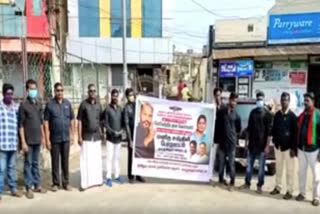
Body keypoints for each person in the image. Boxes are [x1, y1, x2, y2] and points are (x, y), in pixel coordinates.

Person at [239, 91, 273, 194]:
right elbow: (248, 129)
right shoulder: (252, 113)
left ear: (264, 100)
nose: (259, 101)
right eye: (258, 99)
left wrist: (267, 146)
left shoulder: (268, 115)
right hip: (252, 145)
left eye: (261, 99)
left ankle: (259, 186)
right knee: (249, 166)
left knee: (261, 168)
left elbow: (269, 133)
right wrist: (246, 144)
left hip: (262, 146)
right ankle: (247, 183)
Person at [44, 83, 75, 192]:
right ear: (54, 91)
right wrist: (47, 140)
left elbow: (72, 119)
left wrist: (72, 135)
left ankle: (66, 183)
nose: (60, 92)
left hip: (66, 138)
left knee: (65, 161)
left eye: (61, 90)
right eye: (58, 90)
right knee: (55, 161)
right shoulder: (50, 105)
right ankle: (55, 183)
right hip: (55, 138)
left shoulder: (67, 103)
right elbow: (46, 122)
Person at [19, 79, 47, 199]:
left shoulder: (39, 104)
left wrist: (44, 138)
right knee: (28, 164)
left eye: (35, 88)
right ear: (27, 90)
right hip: (28, 141)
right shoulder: (23, 105)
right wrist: (23, 142)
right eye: (31, 89)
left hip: (37, 139)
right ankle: (28, 187)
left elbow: (41, 123)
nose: (33, 91)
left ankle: (37, 185)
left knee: (36, 163)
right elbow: (20, 125)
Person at [270, 92, 297, 200]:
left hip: (288, 149)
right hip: (278, 147)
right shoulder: (277, 115)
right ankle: (278, 187)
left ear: (289, 101)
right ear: (280, 101)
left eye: (286, 100)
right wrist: (274, 142)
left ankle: (290, 191)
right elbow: (274, 130)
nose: (284, 102)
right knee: (279, 168)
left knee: (290, 171)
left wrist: (293, 148)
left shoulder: (293, 116)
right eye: (282, 100)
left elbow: (295, 134)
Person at [296, 92, 320, 207]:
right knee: (301, 173)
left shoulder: (318, 114)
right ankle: (302, 193)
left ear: (313, 102)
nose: (305, 102)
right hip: (302, 150)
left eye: (307, 100)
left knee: (316, 175)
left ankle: (316, 197)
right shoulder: (302, 114)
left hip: (314, 151)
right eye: (304, 100)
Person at [77, 84, 103, 190]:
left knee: (96, 161)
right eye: (90, 91)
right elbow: (79, 121)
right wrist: (79, 136)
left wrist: (102, 133)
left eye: (94, 91)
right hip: (86, 137)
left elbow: (100, 120)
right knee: (85, 161)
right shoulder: (83, 104)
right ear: (88, 92)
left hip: (96, 137)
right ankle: (85, 183)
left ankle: (97, 181)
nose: (92, 93)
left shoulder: (99, 105)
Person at [0, 84, 23, 201]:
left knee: (11, 168)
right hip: (2, 145)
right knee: (1, 169)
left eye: (11, 94)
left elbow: (20, 125)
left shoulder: (16, 107)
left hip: (13, 144)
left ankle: (13, 189)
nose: (10, 96)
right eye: (8, 94)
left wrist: (20, 142)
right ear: (3, 94)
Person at [215, 92, 241, 191]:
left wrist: (234, 138)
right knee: (221, 163)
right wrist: (216, 139)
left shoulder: (237, 116)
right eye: (233, 100)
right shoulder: (222, 112)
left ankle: (232, 182)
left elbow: (238, 129)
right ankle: (221, 180)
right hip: (222, 142)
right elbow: (217, 125)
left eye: (235, 101)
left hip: (231, 144)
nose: (234, 103)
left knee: (231, 164)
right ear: (229, 100)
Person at [123, 88, 145, 184]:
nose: (131, 97)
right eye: (130, 95)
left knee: (139, 155)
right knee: (131, 156)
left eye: (133, 95)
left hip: (139, 134)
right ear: (127, 97)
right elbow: (127, 124)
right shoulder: (126, 108)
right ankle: (131, 176)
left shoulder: (137, 105)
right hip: (131, 134)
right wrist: (130, 139)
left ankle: (138, 174)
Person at [104, 89, 124, 187]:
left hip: (118, 139)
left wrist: (121, 131)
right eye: (114, 96)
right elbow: (106, 124)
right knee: (109, 158)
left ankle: (117, 175)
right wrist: (112, 132)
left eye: (117, 96)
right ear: (111, 97)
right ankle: (108, 177)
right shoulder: (107, 109)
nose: (115, 97)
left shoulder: (120, 109)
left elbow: (123, 123)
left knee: (117, 158)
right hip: (110, 139)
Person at [212, 88, 225, 184]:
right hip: (213, 136)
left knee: (222, 158)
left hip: (222, 137)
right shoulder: (211, 107)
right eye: (216, 95)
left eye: (219, 95)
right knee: (212, 158)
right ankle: (209, 176)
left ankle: (222, 177)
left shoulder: (224, 107)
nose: (218, 97)